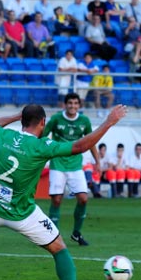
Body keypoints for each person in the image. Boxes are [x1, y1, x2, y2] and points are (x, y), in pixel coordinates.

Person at [0, 104, 127, 280]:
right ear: (43, 122)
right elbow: (79, 147)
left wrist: (18, 115)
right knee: (60, 249)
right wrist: (109, 122)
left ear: (22, 120)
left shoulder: (5, 136)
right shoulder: (42, 146)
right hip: (22, 216)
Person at [43, 93, 99, 247]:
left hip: (75, 165)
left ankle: (76, 233)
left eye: (75, 103)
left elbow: (91, 141)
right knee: (56, 199)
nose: (73, 106)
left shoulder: (84, 121)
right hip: (58, 163)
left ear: (79, 105)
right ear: (65, 104)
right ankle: (52, 235)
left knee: (83, 198)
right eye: (70, 103)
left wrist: (97, 161)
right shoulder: (56, 119)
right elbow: (43, 136)